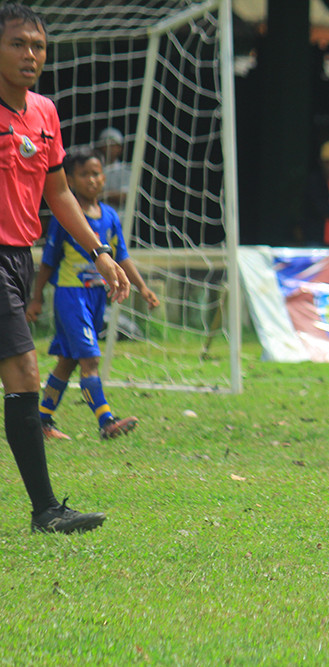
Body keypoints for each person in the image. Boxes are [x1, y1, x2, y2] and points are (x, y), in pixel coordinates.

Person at [0, 2, 130, 533]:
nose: (31, 55)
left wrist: (100, 251)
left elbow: (58, 193)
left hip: (19, 258)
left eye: (38, 46)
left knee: (22, 373)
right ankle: (46, 512)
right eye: (17, 44)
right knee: (25, 371)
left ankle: (45, 512)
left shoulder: (45, 113)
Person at [26, 149, 159, 440]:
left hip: (96, 297)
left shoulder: (110, 216)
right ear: (70, 180)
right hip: (71, 297)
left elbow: (120, 256)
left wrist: (142, 287)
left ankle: (42, 421)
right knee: (90, 360)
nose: (93, 179)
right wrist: (36, 297)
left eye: (97, 173)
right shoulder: (67, 218)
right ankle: (106, 421)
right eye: (85, 174)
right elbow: (48, 261)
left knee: (68, 361)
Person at [95, 127, 128, 217]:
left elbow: (125, 197)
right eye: (105, 144)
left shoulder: (125, 171)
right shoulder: (91, 169)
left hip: (118, 221)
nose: (109, 147)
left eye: (113, 144)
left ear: (120, 148)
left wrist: (101, 195)